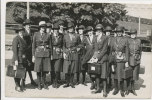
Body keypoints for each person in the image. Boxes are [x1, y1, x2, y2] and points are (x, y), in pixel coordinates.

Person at [89, 24, 108, 97]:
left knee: (103, 75)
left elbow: (105, 50)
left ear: (101, 31)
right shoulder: (95, 38)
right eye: (96, 30)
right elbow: (93, 48)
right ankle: (97, 89)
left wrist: (98, 58)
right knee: (96, 74)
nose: (96, 31)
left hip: (103, 58)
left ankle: (105, 91)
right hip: (95, 58)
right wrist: (93, 57)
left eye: (97, 30)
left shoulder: (105, 37)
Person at [32, 21, 52, 90]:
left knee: (44, 69)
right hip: (38, 54)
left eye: (44, 27)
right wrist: (33, 56)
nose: (43, 28)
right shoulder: (36, 34)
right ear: (40, 27)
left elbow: (50, 45)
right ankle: (39, 84)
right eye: (42, 27)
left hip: (46, 54)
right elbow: (33, 46)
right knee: (38, 70)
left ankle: (44, 83)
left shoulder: (48, 35)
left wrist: (51, 54)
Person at [110, 26, 129, 97]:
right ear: (116, 33)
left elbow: (127, 51)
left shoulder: (125, 39)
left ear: (122, 32)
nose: (119, 33)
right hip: (114, 59)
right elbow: (111, 50)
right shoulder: (113, 39)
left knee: (121, 75)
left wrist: (126, 60)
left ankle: (121, 90)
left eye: (120, 32)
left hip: (121, 60)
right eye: (118, 32)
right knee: (114, 75)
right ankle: (116, 89)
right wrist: (112, 59)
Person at [62, 22, 80, 88]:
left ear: (73, 28)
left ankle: (71, 82)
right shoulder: (65, 36)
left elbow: (79, 44)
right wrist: (64, 52)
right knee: (67, 68)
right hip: (67, 53)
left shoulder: (77, 36)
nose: (70, 29)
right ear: (68, 29)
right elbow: (63, 45)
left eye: (71, 28)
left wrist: (77, 49)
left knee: (72, 69)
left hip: (74, 53)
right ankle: (67, 82)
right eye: (69, 28)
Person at [125, 28, 142, 96]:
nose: (133, 35)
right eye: (132, 34)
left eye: (134, 34)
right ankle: (127, 89)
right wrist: (126, 61)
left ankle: (132, 89)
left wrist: (139, 58)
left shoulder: (139, 40)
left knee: (134, 76)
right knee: (129, 75)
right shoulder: (128, 40)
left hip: (136, 60)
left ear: (136, 34)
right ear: (130, 35)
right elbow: (127, 51)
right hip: (130, 59)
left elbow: (140, 51)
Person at [12, 25, 28, 92]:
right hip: (18, 58)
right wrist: (16, 59)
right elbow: (14, 50)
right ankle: (17, 86)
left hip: (23, 58)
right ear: (18, 32)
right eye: (19, 31)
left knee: (21, 72)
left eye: (22, 31)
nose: (21, 32)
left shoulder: (24, 38)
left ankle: (20, 85)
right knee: (17, 72)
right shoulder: (16, 39)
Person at [22, 19, 37, 88]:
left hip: (31, 53)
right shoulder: (22, 33)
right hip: (25, 53)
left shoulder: (32, 33)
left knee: (29, 67)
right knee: (25, 67)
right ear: (24, 26)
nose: (28, 26)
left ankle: (31, 80)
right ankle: (23, 82)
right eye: (26, 25)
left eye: (29, 25)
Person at [82, 26, 97, 90]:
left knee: (95, 70)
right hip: (88, 56)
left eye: (90, 31)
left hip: (94, 56)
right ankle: (92, 83)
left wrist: (95, 56)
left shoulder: (95, 37)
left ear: (92, 31)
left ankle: (96, 83)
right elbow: (82, 45)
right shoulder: (85, 38)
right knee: (89, 70)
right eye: (88, 31)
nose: (90, 33)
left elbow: (97, 47)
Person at [51, 22, 64, 88]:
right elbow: (50, 45)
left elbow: (63, 44)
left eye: (57, 29)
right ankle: (53, 81)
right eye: (55, 29)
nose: (56, 30)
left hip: (59, 53)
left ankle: (56, 81)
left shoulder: (61, 35)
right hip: (53, 53)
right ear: (53, 30)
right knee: (52, 68)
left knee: (57, 68)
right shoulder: (50, 36)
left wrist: (62, 49)